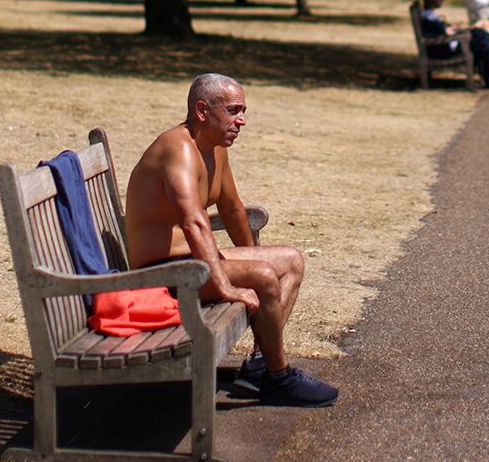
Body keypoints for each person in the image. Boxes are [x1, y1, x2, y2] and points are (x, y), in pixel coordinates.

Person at [123, 73, 339, 407]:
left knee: (291, 260)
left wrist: (250, 256)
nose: (242, 120)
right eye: (234, 110)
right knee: (264, 276)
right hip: (160, 276)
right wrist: (225, 283)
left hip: (190, 263)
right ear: (202, 111)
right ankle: (278, 378)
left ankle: (259, 365)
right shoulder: (177, 149)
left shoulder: (214, 148)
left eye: (243, 110)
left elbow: (234, 209)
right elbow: (193, 222)